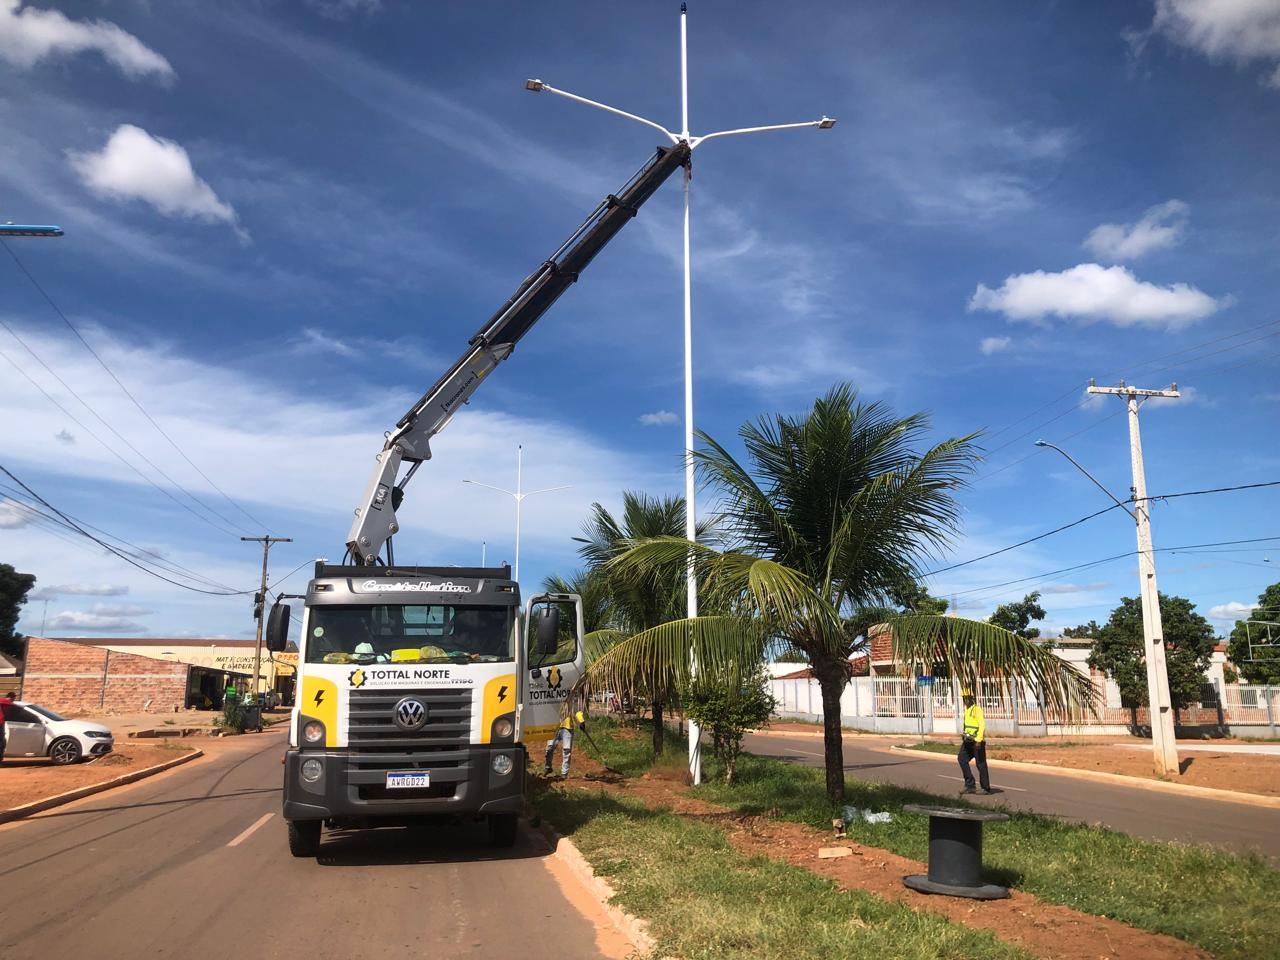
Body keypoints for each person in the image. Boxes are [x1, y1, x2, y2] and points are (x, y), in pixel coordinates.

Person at [958, 688, 992, 794]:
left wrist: (978, 740)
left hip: (977, 742)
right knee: (962, 759)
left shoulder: (976, 709)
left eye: (967, 698)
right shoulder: (967, 710)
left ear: (971, 698)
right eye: (964, 698)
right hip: (968, 741)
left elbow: (982, 725)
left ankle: (985, 788)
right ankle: (970, 785)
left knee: (980, 764)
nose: (965, 700)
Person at [544, 709, 586, 778]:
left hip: (568, 728)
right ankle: (548, 767)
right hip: (554, 726)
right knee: (550, 747)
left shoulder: (571, 698)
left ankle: (564, 773)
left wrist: (581, 721)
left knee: (567, 750)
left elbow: (576, 710)